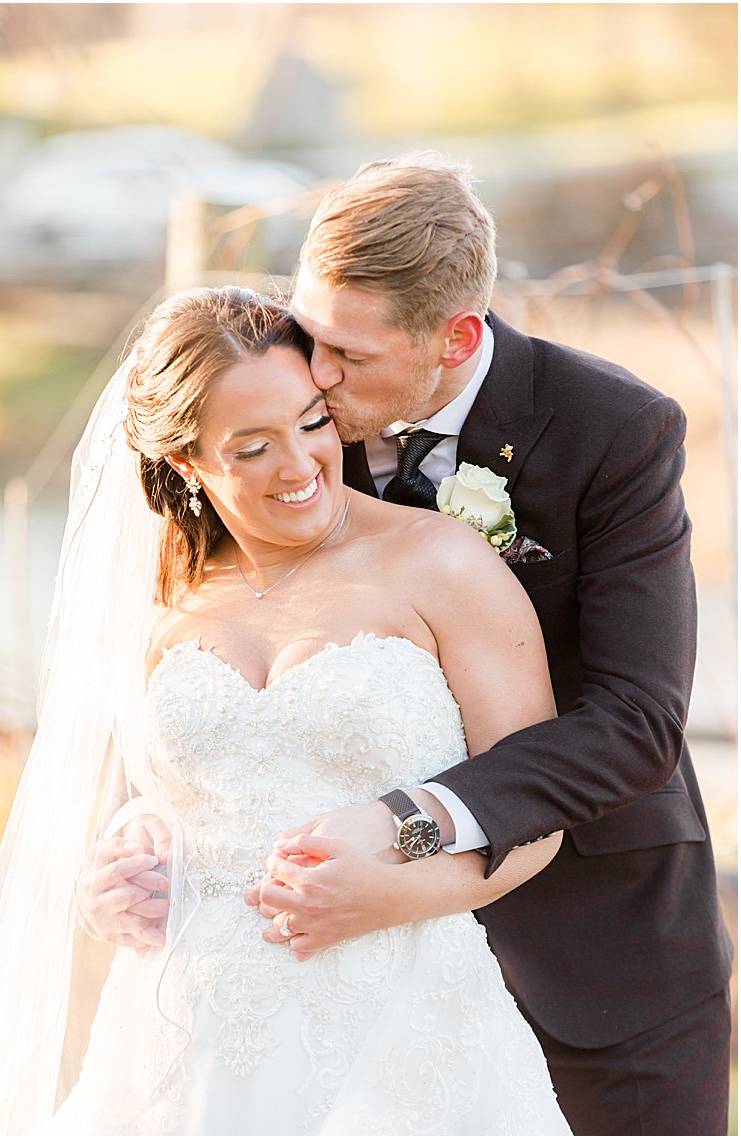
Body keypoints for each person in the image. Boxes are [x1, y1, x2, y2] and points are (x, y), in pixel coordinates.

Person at [0, 286, 571, 1134]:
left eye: (313, 422)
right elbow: (147, 804)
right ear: (187, 463)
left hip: (403, 1022)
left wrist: (388, 895)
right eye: (253, 447)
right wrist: (112, 882)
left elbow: (539, 813)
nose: (299, 466)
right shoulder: (162, 599)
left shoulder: (440, 563)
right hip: (185, 1034)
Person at [231, 155, 731, 1136]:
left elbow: (635, 723)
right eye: (306, 335)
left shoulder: (612, 431)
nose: (314, 379)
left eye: (349, 356)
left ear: (455, 337)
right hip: (345, 977)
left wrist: (408, 824)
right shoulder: (282, 415)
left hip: (597, 970)